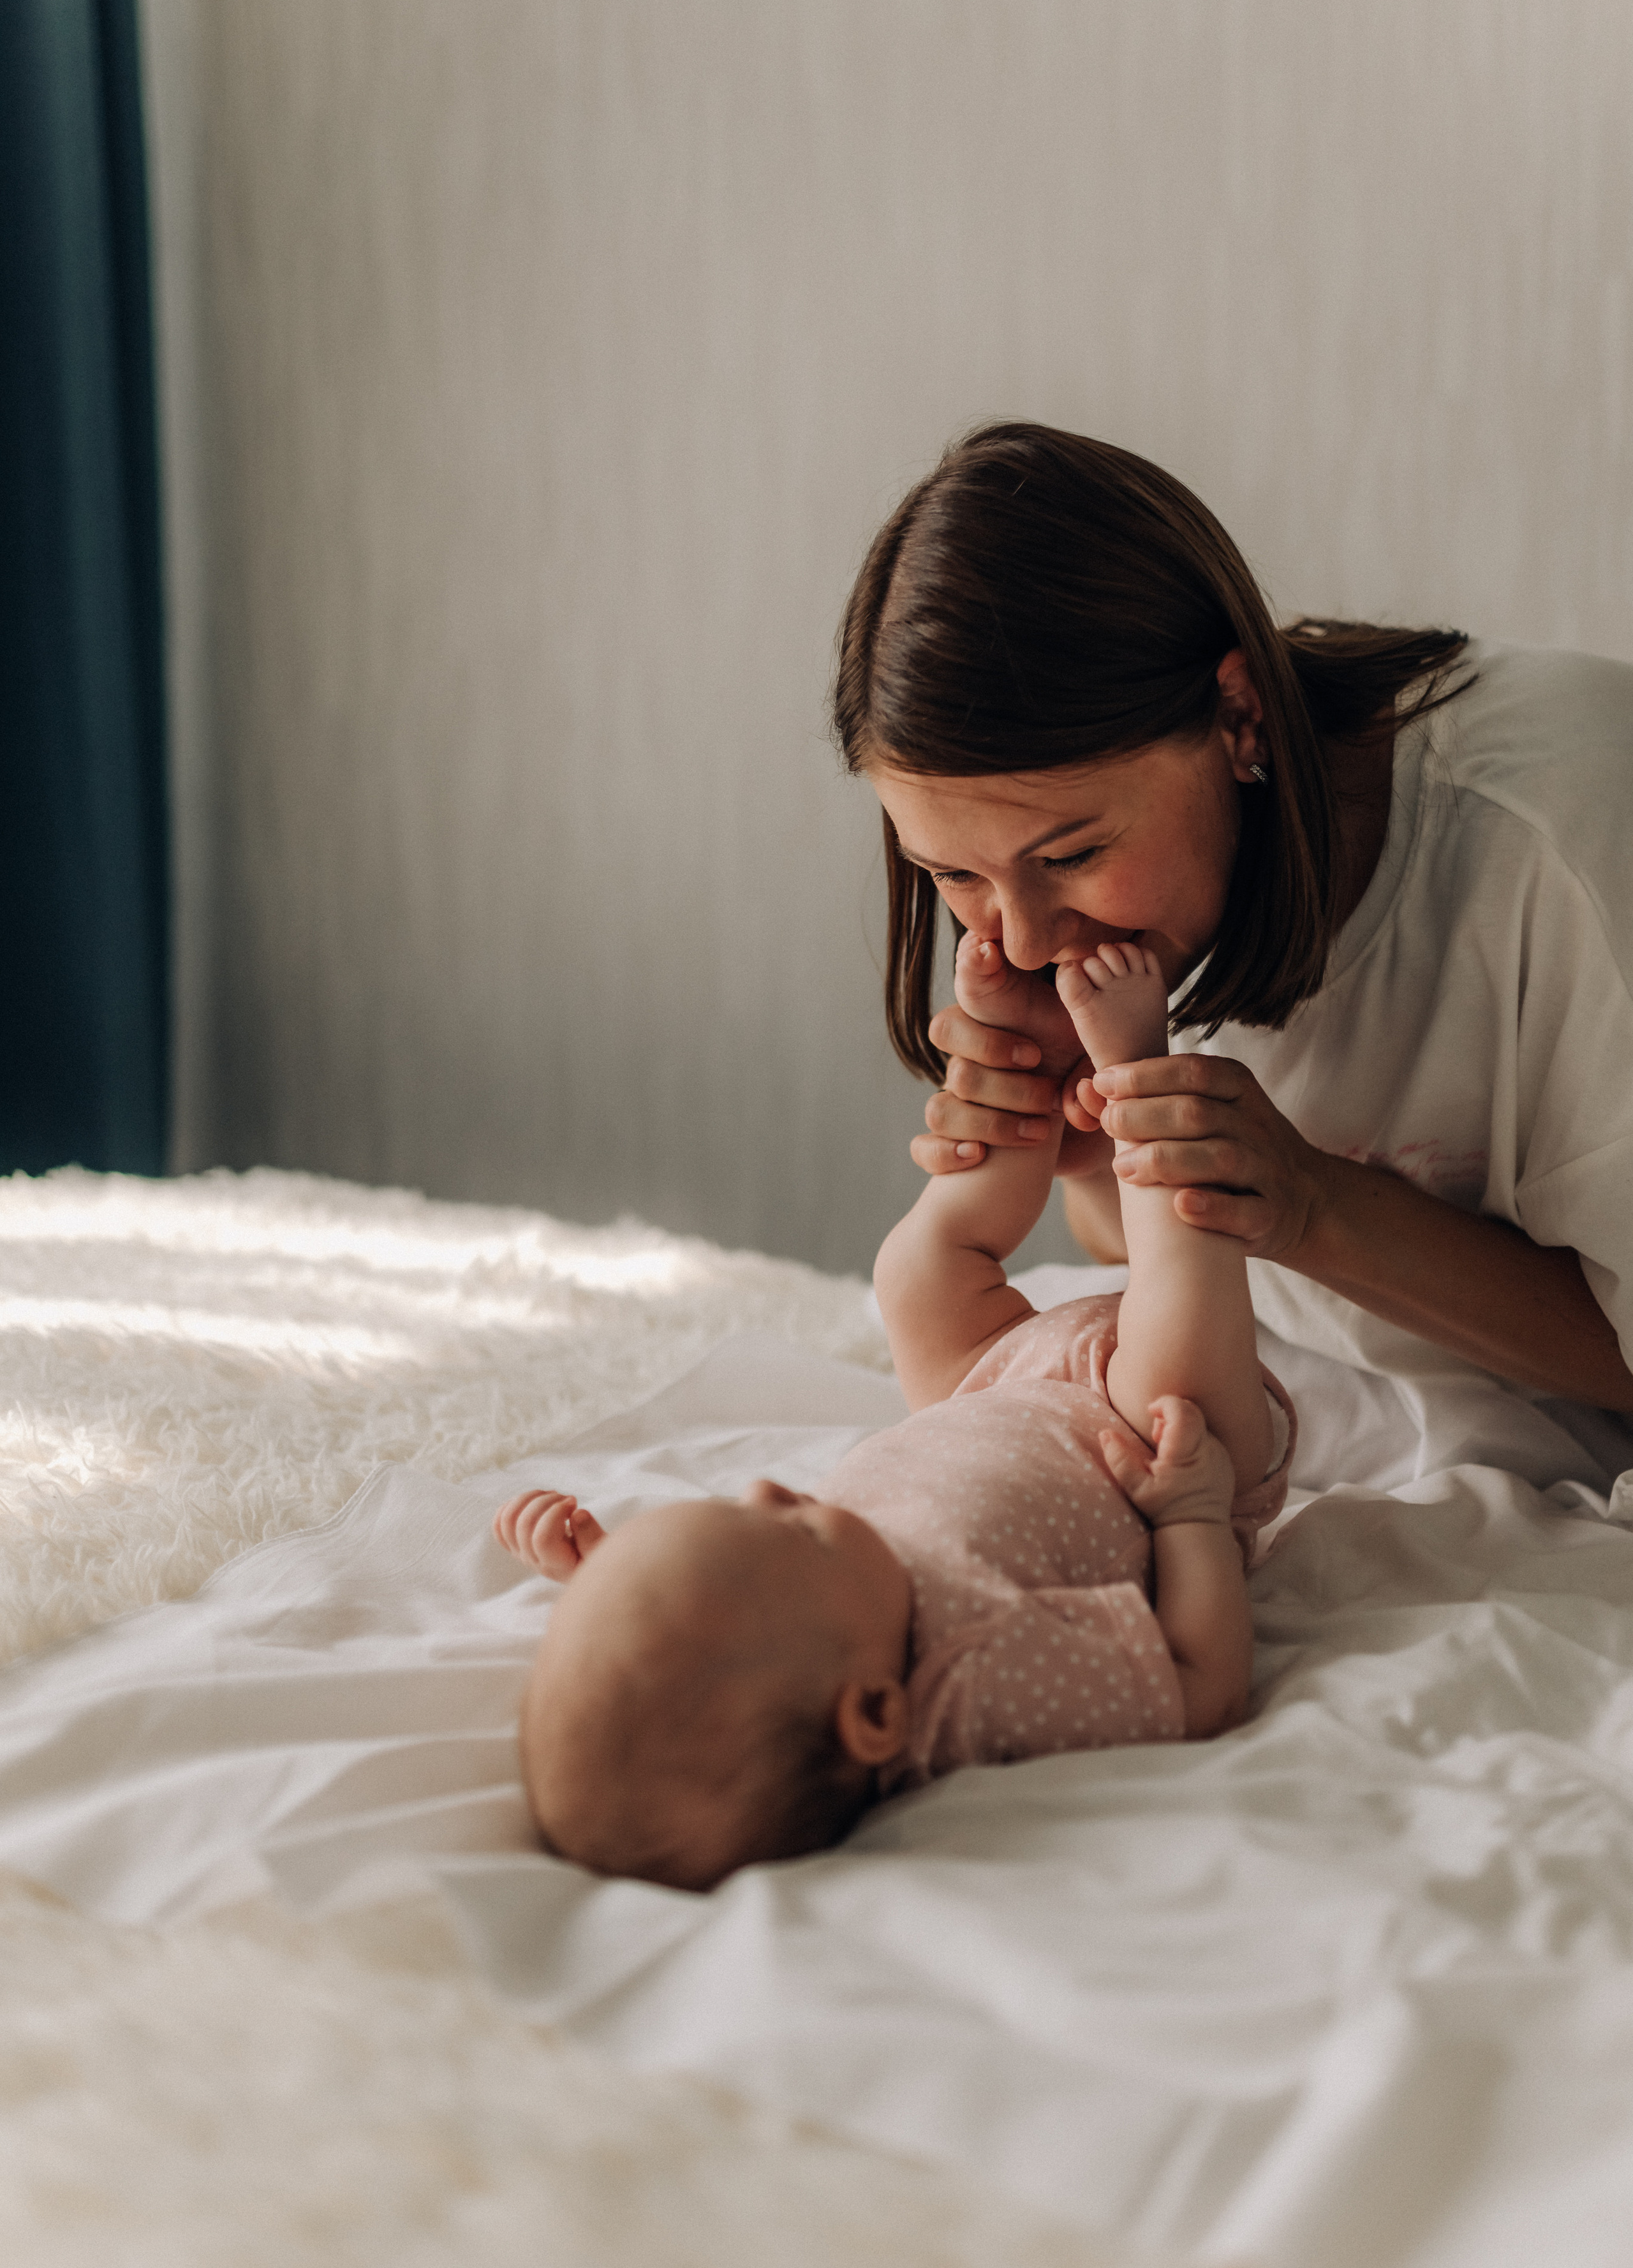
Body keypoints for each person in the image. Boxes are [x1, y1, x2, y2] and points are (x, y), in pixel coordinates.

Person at [831, 420, 1633, 1429]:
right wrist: (1085, 1148)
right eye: (953, 871)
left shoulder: (1564, 855)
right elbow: (1142, 1242)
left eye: (1071, 855)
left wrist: (1314, 1205)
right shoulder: (1142, 868)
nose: (1025, 942)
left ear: (1241, 718)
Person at [492, 932, 1293, 1893]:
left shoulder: (788, 1623)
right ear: (874, 1712)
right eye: (795, 1531)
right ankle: (1137, 1075)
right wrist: (1193, 1516)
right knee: (1177, 1359)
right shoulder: (973, 1680)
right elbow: (1198, 1688)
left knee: (913, 1280)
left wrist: (601, 1574)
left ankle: (1013, 1063)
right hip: (1148, 1436)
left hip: (991, 1388)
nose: (764, 1488)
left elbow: (700, 1620)